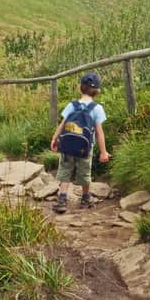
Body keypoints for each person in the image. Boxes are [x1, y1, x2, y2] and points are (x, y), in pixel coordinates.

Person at [49, 72, 110, 214]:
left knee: (65, 170)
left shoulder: (72, 105)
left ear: (80, 88)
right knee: (84, 172)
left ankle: (62, 200)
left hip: (67, 146)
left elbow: (62, 124)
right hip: (85, 148)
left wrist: (55, 138)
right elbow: (100, 133)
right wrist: (103, 152)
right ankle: (85, 198)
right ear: (97, 91)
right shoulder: (97, 108)